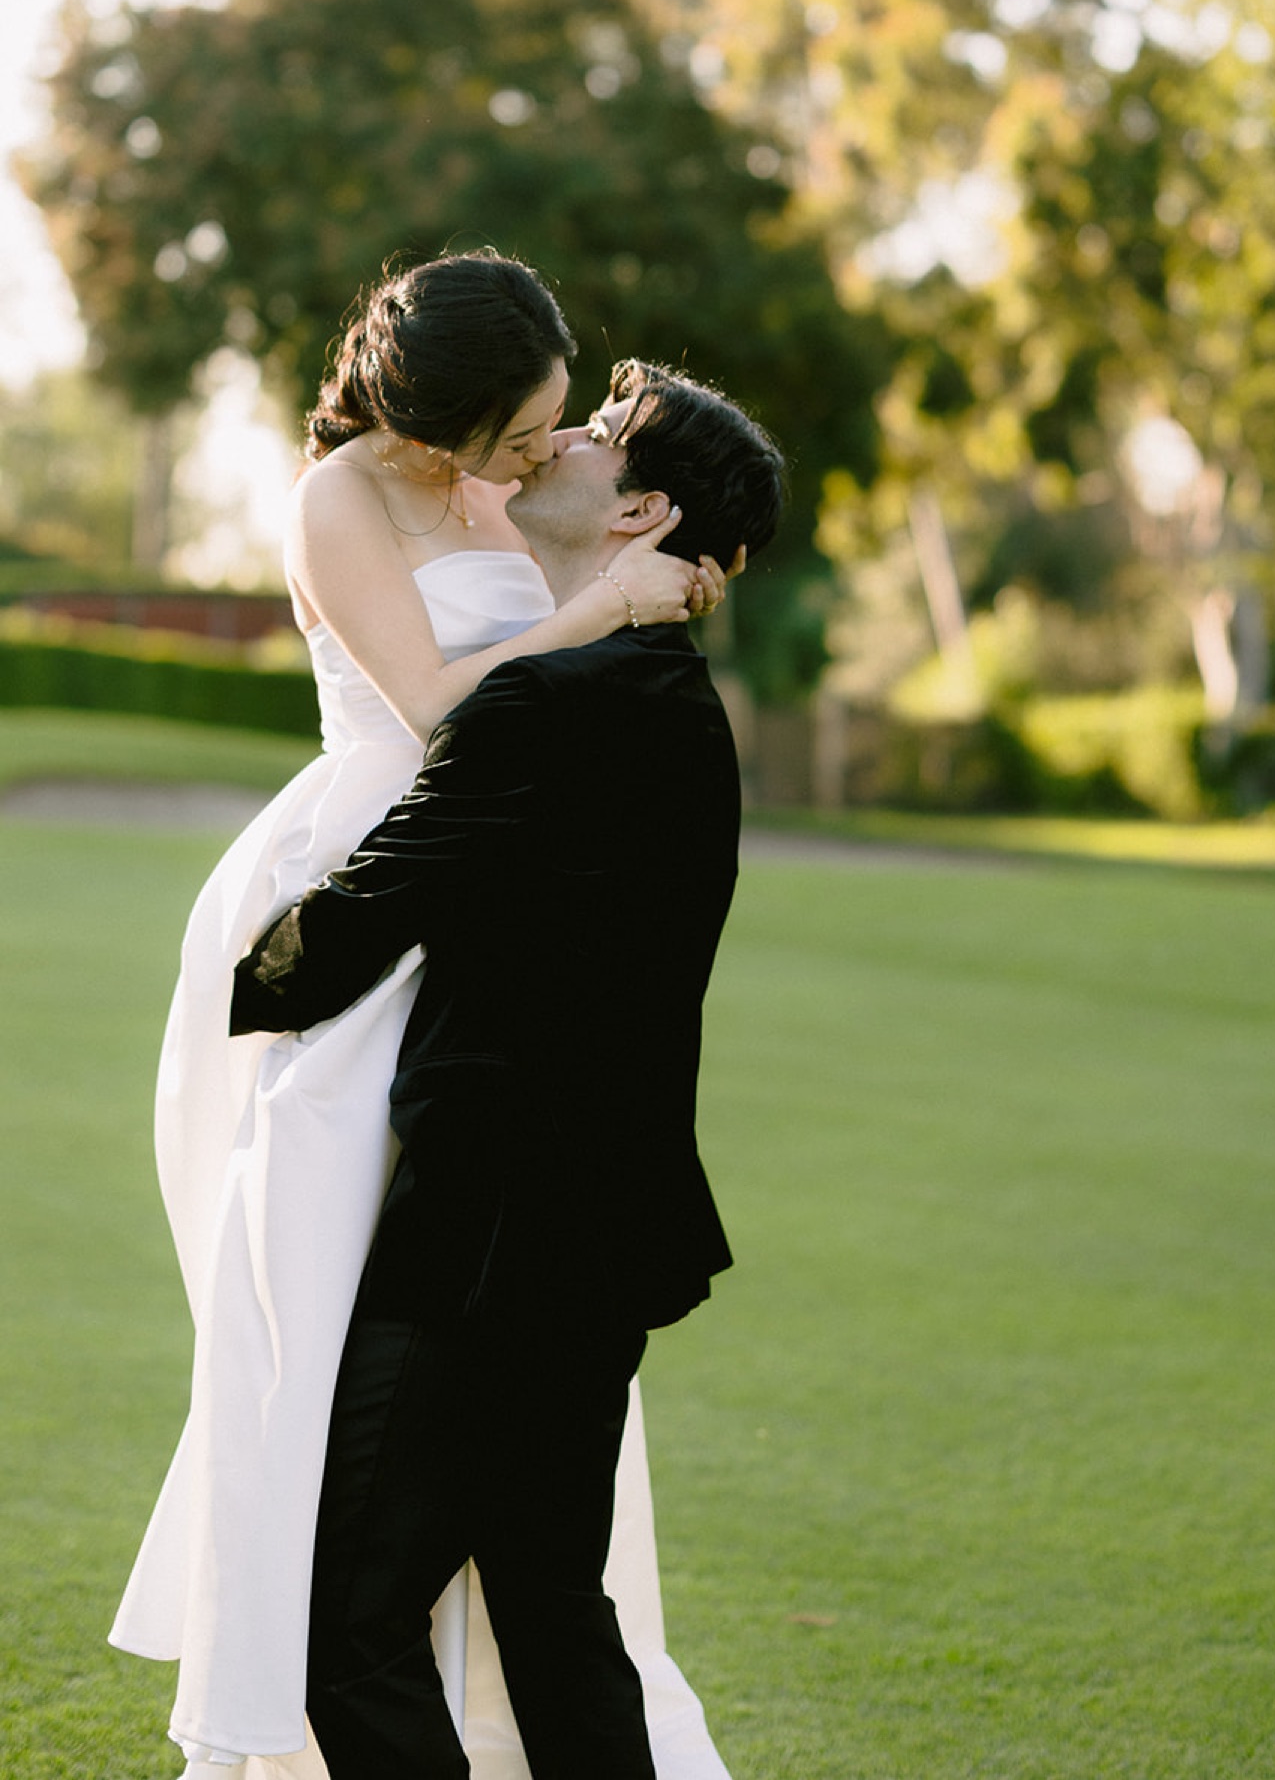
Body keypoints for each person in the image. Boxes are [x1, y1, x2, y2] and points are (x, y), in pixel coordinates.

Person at [111, 256, 734, 1779]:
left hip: (484, 914)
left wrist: (635, 601)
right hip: (371, 873)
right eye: (524, 428)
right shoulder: (342, 496)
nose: (548, 447)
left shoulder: (515, 501)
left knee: (487, 1418)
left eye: (559, 423)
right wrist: (610, 606)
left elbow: (561, 689)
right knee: (332, 1295)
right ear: (446, 417)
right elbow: (447, 708)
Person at [230, 362, 785, 1780]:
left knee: (346, 1627)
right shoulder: (680, 704)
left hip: (484, 1247)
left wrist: (233, 963)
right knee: (549, 1609)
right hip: (608, 1239)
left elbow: (337, 943)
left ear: (640, 513)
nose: (563, 444)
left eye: (600, 436)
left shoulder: (543, 703)